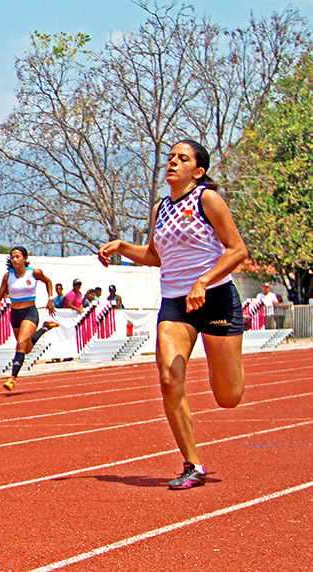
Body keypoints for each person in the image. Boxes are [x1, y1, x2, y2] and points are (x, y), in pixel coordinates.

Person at [99, 139, 247, 490]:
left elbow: (237, 249)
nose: (172, 163)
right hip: (176, 304)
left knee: (228, 397)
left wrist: (204, 281)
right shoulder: (159, 209)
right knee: (168, 378)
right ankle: (193, 464)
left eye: (182, 159)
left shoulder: (207, 199)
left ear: (198, 171)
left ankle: (224, 371)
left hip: (216, 299)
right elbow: (154, 256)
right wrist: (122, 246)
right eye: (170, 158)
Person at [0, 246, 56, 391]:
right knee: (25, 349)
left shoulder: (34, 273)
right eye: (12, 257)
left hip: (29, 313)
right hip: (15, 314)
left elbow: (48, 282)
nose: (15, 259)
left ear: (25, 259)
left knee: (20, 343)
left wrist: (50, 299)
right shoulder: (8, 276)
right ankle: (44, 328)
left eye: (18, 256)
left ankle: (12, 379)